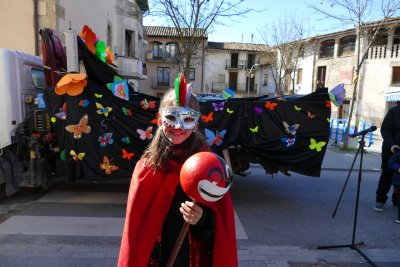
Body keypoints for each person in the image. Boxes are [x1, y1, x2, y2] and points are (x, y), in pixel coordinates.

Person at [118, 73, 237, 267]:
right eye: (171, 117)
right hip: (157, 255)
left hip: (193, 256)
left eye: (188, 119)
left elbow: (220, 223)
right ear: (159, 120)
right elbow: (136, 229)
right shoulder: (148, 166)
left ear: (196, 124)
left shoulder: (208, 164)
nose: (178, 126)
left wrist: (202, 218)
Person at [374, 101, 400, 212]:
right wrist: (392, 144)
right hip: (391, 149)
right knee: (387, 175)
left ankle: (397, 201)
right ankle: (380, 199)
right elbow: (385, 129)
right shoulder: (393, 111)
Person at [387, 148, 400, 223]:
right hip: (398, 180)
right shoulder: (398, 153)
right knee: (397, 195)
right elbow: (391, 162)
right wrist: (398, 168)